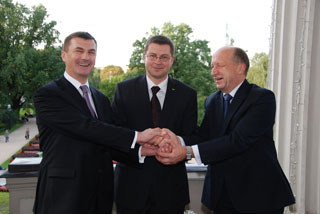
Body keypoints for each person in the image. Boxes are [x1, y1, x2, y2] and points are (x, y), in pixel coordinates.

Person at [33, 31, 160, 214]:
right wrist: (138, 136)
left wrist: (140, 151)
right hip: (63, 196)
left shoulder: (100, 98)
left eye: (91, 52)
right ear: (64, 55)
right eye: (79, 51)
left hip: (100, 195)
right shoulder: (48, 94)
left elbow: (106, 139)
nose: (85, 57)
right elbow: (85, 127)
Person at [157, 46, 295, 214]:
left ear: (240, 67)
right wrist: (177, 140)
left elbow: (237, 140)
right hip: (221, 195)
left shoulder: (262, 98)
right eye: (212, 66)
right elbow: (204, 136)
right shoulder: (212, 101)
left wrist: (186, 152)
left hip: (258, 196)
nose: (213, 72)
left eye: (219, 65)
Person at [112, 35, 198, 214]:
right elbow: (114, 136)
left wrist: (176, 141)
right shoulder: (124, 90)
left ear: (172, 60)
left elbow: (193, 135)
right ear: (144, 57)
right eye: (153, 56)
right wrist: (140, 150)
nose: (158, 61)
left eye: (164, 57)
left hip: (171, 191)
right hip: (130, 190)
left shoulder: (187, 94)